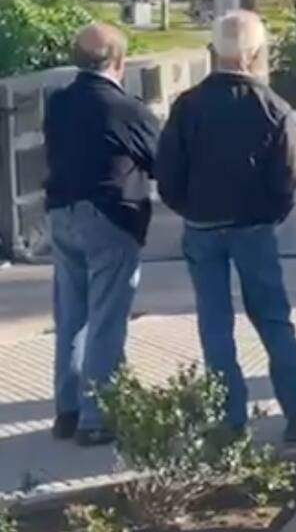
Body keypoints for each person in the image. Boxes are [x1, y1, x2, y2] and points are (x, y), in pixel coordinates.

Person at [157, 11, 296, 443]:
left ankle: (230, 419)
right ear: (254, 54)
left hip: (202, 224)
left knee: (214, 324)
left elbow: (168, 170)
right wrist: (272, 211)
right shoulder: (273, 106)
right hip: (253, 225)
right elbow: (290, 172)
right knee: (272, 318)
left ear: (214, 52)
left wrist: (186, 206)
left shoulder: (188, 105)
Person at [44, 24, 161, 446]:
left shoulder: (57, 102)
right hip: (111, 218)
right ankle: (98, 417)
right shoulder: (125, 108)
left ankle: (68, 410)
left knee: (71, 317)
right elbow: (161, 158)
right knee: (107, 321)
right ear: (118, 62)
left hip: (61, 214)